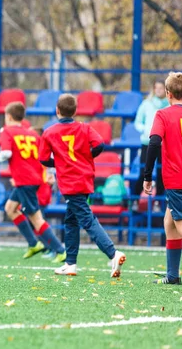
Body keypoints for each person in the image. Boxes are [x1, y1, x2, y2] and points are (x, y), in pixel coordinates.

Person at [39, 94, 126, 277]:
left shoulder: (49, 132)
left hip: (70, 182)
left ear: (57, 110)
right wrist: (86, 157)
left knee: (87, 220)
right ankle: (70, 263)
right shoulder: (84, 128)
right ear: (76, 111)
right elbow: (100, 144)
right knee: (71, 221)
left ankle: (113, 253)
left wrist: (60, 163)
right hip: (85, 178)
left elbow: (44, 159)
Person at [144, 72, 182, 285]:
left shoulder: (163, 114)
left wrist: (147, 175)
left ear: (168, 94)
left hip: (177, 178)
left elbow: (153, 143)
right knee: (170, 222)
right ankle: (173, 276)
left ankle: (173, 275)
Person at [0, 102, 66, 262]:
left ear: (8, 116)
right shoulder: (32, 134)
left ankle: (60, 250)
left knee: (36, 218)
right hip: (33, 178)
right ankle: (33, 243)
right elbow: (44, 156)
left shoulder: (6, 131)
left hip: (24, 180)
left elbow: (6, 152)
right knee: (10, 208)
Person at [133, 79, 168, 208]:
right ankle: (136, 200)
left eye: (161, 88)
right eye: (157, 88)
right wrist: (146, 130)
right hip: (147, 143)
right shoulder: (146, 104)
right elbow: (138, 122)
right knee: (143, 172)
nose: (159, 90)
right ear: (154, 89)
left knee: (161, 173)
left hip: (162, 144)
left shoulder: (168, 105)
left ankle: (158, 201)